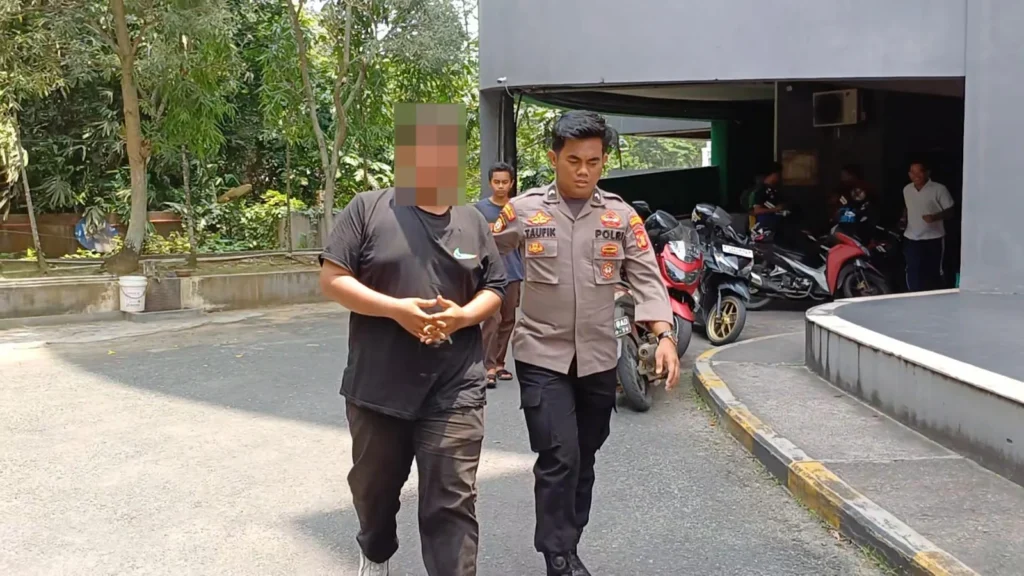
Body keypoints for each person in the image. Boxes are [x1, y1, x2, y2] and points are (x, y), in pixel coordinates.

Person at [319, 103, 507, 576]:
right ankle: (375, 550)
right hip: (379, 386)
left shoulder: (472, 221)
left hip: (455, 386)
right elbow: (333, 279)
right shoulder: (368, 208)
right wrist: (395, 309)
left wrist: (464, 317)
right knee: (374, 490)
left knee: (452, 501)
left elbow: (495, 288)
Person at [490, 110, 679, 576]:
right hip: (541, 353)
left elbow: (646, 277)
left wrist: (664, 334)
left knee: (585, 455)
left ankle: (569, 544)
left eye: (593, 162)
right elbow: (481, 252)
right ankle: (557, 557)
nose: (583, 171)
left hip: (597, 356)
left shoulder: (620, 215)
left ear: (603, 162)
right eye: (573, 160)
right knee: (560, 455)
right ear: (553, 158)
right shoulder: (525, 210)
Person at [474, 162, 523, 388]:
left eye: (505, 182)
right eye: (497, 182)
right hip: (488, 273)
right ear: (490, 183)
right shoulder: (479, 209)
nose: (501, 186)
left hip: (514, 272)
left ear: (511, 183)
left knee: (508, 319)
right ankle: (488, 367)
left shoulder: (517, 209)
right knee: (491, 320)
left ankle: (500, 363)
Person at [901, 160, 955, 292]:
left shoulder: (939, 189)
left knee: (933, 272)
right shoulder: (907, 189)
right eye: (912, 172)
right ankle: (914, 297)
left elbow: (951, 211)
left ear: (927, 173)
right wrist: (903, 218)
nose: (915, 175)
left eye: (919, 172)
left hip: (933, 238)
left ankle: (933, 298)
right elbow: (908, 206)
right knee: (913, 270)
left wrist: (935, 217)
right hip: (912, 237)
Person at [744, 162, 786, 236]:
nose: (780, 177)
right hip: (760, 230)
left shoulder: (774, 190)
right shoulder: (760, 191)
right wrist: (776, 209)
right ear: (773, 174)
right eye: (779, 174)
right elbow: (756, 211)